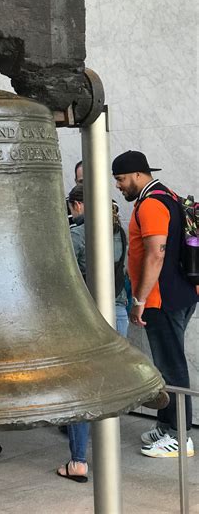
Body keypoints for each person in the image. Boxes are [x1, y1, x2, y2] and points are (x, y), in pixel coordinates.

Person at [112, 150, 196, 458]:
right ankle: (166, 425)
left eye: (121, 179)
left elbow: (156, 254)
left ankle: (180, 436)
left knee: (171, 367)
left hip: (162, 299)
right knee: (165, 364)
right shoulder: (167, 195)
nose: (119, 186)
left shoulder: (151, 204)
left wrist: (140, 300)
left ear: (137, 174)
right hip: (179, 294)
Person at [57, 183, 129, 483]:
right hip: (118, 313)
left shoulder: (76, 234)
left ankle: (78, 461)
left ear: (78, 205)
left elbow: (60, 274)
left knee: (81, 391)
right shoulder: (118, 231)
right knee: (108, 388)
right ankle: (109, 456)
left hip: (87, 319)